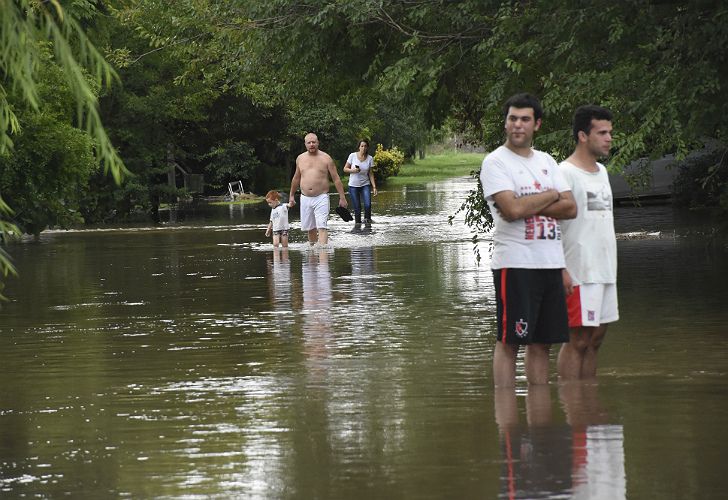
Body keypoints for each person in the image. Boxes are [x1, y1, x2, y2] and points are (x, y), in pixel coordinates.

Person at [480, 93, 577, 387]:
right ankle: (507, 423)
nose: (517, 125)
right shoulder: (496, 162)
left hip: (550, 264)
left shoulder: (547, 161)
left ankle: (541, 424)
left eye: (525, 119)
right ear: (505, 123)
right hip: (515, 263)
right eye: (512, 119)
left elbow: (570, 208)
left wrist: (561, 266)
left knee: (542, 345)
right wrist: (550, 195)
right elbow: (511, 210)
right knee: (510, 341)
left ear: (537, 124)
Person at [557, 105, 618, 380]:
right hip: (579, 270)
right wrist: (561, 269)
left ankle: (589, 408)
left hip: (606, 269)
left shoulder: (603, 172)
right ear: (583, 135)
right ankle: (574, 412)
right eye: (602, 132)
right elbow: (553, 226)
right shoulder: (564, 173)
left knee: (596, 340)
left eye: (610, 133)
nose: (609, 138)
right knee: (577, 340)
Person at [289, 133, 348, 246]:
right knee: (310, 228)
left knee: (322, 226)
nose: (311, 144)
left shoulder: (326, 158)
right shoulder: (300, 158)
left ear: (318, 143)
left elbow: (336, 178)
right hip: (305, 197)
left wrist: (342, 197)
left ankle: (323, 255)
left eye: (313, 142)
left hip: (321, 197)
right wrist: (291, 195)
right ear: (305, 144)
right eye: (309, 142)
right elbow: (296, 178)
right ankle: (312, 254)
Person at [343, 139, 378, 225]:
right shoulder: (352, 156)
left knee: (368, 205)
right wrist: (353, 170)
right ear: (359, 147)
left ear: (367, 147)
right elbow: (345, 169)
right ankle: (357, 225)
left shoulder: (370, 158)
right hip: (353, 186)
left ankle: (368, 222)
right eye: (362, 146)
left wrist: (374, 187)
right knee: (357, 208)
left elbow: (370, 173)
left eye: (365, 146)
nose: (363, 148)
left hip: (365, 185)